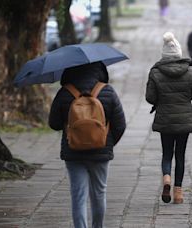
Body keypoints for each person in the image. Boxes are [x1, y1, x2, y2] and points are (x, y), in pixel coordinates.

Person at [49, 62, 126, 228]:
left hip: (73, 152)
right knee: (99, 193)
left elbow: (53, 123)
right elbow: (120, 125)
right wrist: (106, 142)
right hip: (100, 152)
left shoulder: (65, 93)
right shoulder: (107, 91)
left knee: (78, 195)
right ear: (99, 70)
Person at [146, 32, 192, 204]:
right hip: (184, 121)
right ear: (178, 54)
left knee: (166, 154)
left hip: (165, 119)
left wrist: (159, 99)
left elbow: (150, 97)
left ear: (164, 55)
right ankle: (178, 193)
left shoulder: (156, 72)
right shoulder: (190, 72)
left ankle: (166, 179)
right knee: (180, 155)